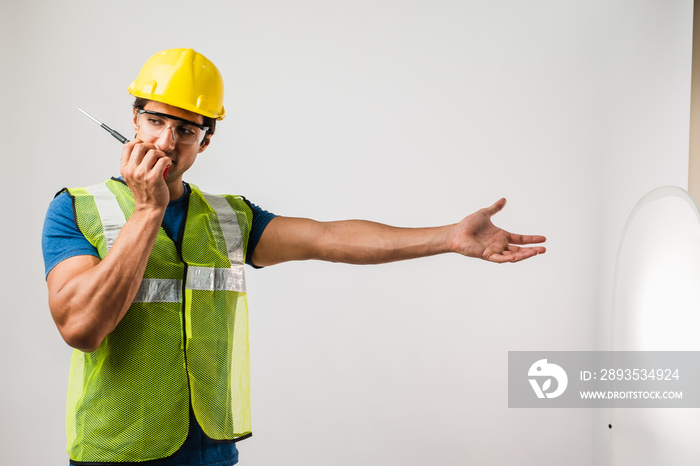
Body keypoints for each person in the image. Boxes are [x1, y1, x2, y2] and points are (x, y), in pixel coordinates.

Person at [42, 48, 546, 466]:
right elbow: (81, 328)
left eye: (186, 130)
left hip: (211, 454)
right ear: (133, 119)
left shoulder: (229, 218)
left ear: (206, 140)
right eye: (154, 120)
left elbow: (328, 237)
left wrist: (450, 236)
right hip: (116, 454)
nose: (166, 142)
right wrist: (147, 211)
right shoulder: (76, 210)